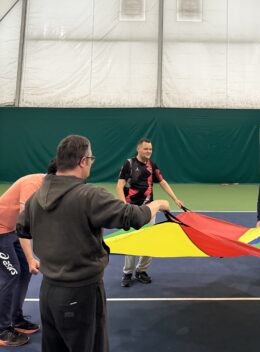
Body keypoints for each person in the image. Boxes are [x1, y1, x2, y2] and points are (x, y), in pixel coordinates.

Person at [17, 134, 170, 352]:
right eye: (91, 158)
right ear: (82, 161)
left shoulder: (36, 197)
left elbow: (23, 228)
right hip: (81, 292)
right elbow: (132, 217)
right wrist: (157, 204)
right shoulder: (89, 195)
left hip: (48, 290)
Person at [0, 160, 56, 347]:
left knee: (24, 272)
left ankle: (15, 318)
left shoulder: (50, 190)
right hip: (1, 230)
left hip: (11, 230)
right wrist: (31, 258)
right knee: (12, 274)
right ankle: (2, 329)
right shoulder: (33, 184)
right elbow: (24, 224)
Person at [116, 137, 184, 287]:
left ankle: (141, 270)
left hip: (149, 210)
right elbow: (119, 186)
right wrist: (123, 206)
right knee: (131, 242)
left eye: (150, 149)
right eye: (146, 149)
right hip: (131, 210)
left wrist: (175, 199)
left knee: (148, 242)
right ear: (138, 149)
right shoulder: (129, 164)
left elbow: (163, 182)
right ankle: (127, 273)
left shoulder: (152, 166)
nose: (148, 151)